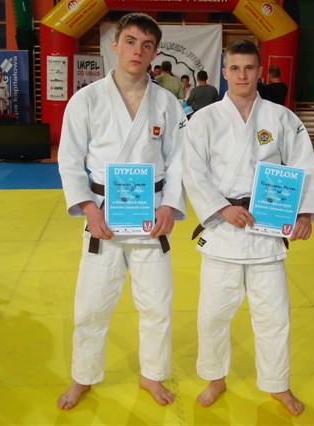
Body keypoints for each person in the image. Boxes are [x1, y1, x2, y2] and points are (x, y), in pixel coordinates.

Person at [182, 39, 314, 416]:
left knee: (274, 316)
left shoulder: (282, 118)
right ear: (224, 72)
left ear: (260, 72)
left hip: (266, 231)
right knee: (213, 314)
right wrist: (221, 209)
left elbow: (303, 166)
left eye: (249, 68)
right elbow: (192, 171)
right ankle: (215, 378)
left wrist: (304, 212)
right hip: (223, 231)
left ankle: (278, 384)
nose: (242, 75)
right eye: (235, 68)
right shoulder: (204, 119)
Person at [56, 13, 186, 410]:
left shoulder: (168, 103)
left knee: (157, 305)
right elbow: (69, 159)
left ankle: (152, 374)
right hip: (104, 217)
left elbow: (180, 160)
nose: (137, 51)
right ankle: (83, 376)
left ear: (155, 53)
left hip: (151, 217)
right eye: (130, 41)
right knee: (91, 305)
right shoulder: (87, 99)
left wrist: (170, 205)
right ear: (114, 45)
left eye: (147, 45)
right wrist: (87, 208)